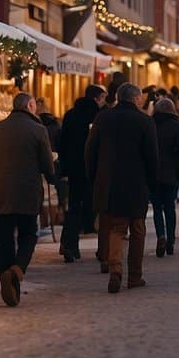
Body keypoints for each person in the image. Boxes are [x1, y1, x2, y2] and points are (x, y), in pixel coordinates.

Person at [0, 92, 56, 307]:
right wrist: (53, 176)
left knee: (6, 238)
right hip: (28, 192)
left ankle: (8, 277)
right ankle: (17, 270)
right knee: (29, 234)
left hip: (3, 192)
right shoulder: (38, 129)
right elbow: (47, 164)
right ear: (30, 105)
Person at [87, 83, 158, 293]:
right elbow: (152, 157)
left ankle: (115, 267)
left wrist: (94, 177)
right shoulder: (145, 121)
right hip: (136, 183)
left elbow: (90, 150)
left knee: (116, 228)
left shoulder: (103, 118)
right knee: (137, 229)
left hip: (110, 181)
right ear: (136, 99)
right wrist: (152, 183)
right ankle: (134, 276)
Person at [58, 85, 105, 262]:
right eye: (102, 98)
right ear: (96, 98)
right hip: (93, 169)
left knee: (74, 206)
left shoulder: (70, 114)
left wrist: (65, 167)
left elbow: (62, 142)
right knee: (98, 207)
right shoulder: (98, 116)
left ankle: (69, 244)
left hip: (74, 169)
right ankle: (103, 249)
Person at [152, 97, 179, 258]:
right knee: (170, 207)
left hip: (154, 171)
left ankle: (161, 235)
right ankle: (171, 240)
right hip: (171, 171)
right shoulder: (176, 125)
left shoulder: (151, 124)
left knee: (157, 208)